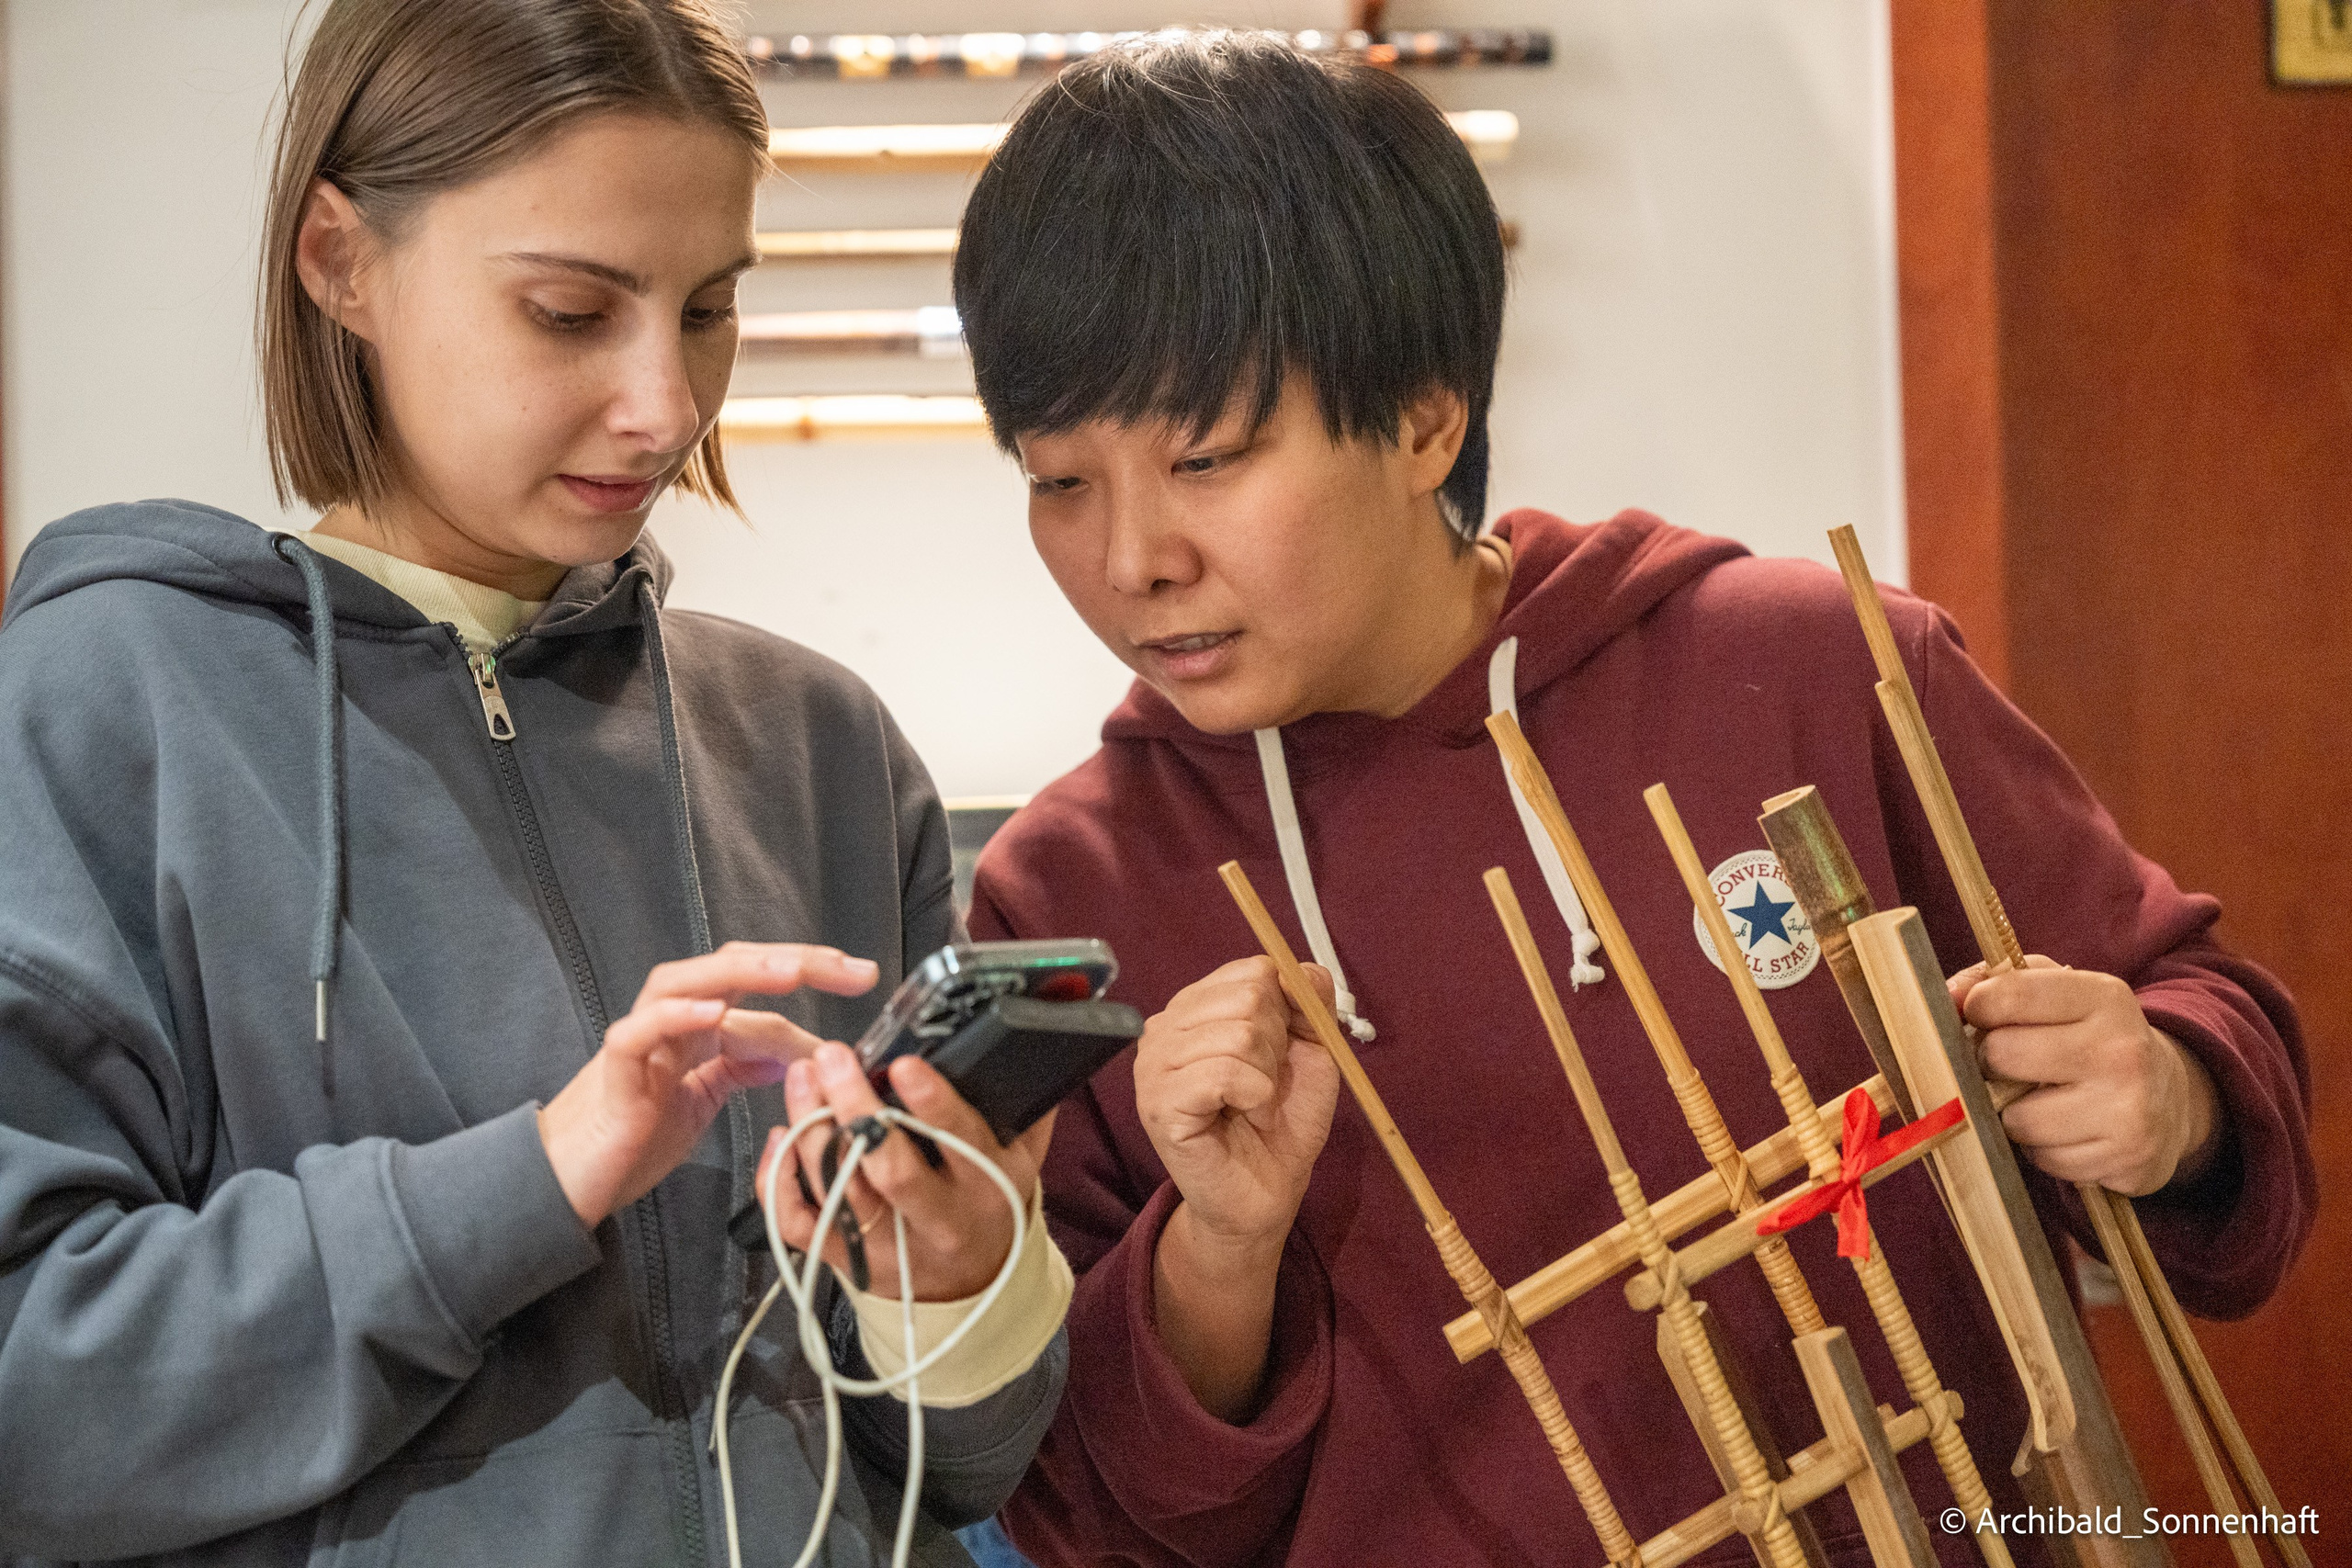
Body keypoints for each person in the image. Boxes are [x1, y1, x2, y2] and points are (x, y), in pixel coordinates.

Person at [949, 30, 2315, 1568]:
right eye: (1059, 479)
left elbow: (2204, 1029)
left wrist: (2168, 1095)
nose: (1132, 558)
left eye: (1207, 458)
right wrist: (1218, 1249)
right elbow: (1081, 1510)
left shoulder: (1814, 670)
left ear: (1423, 422)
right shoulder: (1068, 898)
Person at [0, 5, 1068, 1565]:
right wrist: (532, 1181)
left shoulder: (820, 744)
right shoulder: (109, 710)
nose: (665, 405)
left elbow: (966, 1467)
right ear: (337, 260)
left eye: (708, 309)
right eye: (571, 312)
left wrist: (963, 1286)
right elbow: (35, 1402)